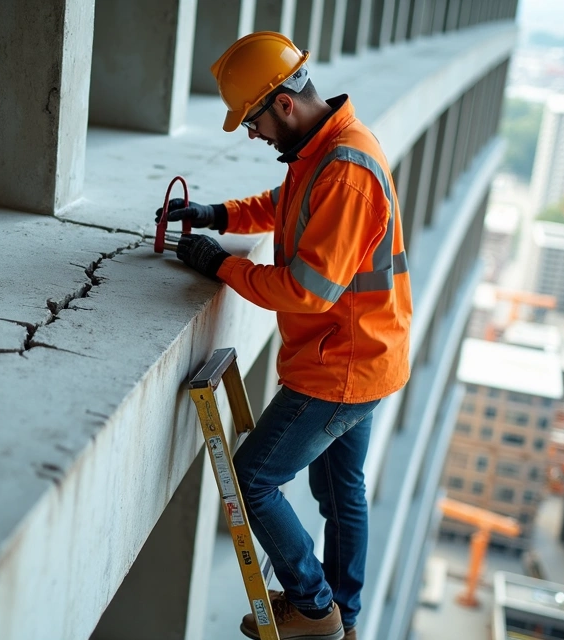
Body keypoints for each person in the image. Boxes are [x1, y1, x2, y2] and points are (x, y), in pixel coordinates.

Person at [156, 32, 412, 640]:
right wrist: (217, 216)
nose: (252, 134)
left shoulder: (345, 172)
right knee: (339, 490)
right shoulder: (324, 153)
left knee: (252, 479)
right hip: (367, 354)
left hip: (341, 368)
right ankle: (344, 619)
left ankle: (315, 608)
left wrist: (218, 264)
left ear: (284, 104)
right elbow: (284, 205)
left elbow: (305, 291)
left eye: (253, 121)